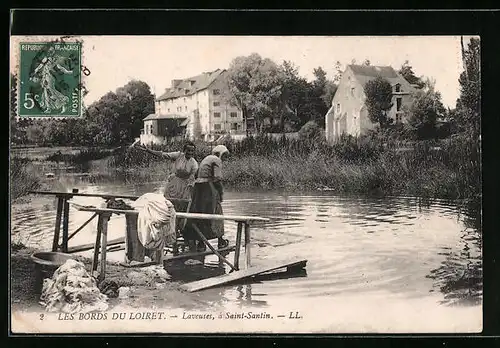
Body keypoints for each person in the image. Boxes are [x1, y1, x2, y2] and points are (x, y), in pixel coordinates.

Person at [183, 145, 230, 252]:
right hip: (208, 188)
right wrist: (221, 193)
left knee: (199, 214)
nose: (225, 159)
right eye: (224, 156)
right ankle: (220, 241)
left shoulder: (206, 159)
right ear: (220, 153)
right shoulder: (217, 160)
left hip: (198, 189)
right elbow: (217, 178)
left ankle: (201, 243)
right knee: (216, 212)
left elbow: (196, 175)